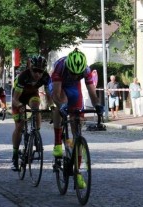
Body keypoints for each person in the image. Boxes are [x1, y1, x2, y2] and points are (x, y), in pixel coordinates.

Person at [50, 48, 103, 188]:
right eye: (73, 73)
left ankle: (77, 172)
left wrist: (97, 105)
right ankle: (57, 143)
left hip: (73, 88)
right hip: (57, 85)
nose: (75, 75)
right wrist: (61, 106)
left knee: (77, 127)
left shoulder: (86, 70)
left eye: (77, 74)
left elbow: (92, 91)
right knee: (61, 103)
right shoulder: (60, 66)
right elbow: (56, 94)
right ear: (69, 67)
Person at [11, 56, 53, 171]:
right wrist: (19, 106)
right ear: (30, 68)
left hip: (32, 95)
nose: (38, 74)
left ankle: (36, 133)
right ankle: (15, 155)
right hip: (19, 97)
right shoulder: (23, 76)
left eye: (40, 71)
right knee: (19, 126)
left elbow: (49, 95)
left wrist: (52, 106)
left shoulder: (45, 77)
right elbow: (15, 99)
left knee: (36, 107)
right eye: (35, 70)